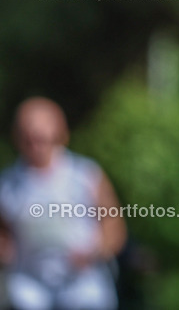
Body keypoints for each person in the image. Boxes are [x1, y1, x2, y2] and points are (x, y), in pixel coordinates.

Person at [0, 98, 125, 310]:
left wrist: (96, 250)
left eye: (41, 138)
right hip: (30, 287)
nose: (36, 145)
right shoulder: (7, 183)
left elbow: (113, 223)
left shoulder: (86, 175)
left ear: (59, 133)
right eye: (28, 139)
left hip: (83, 285)